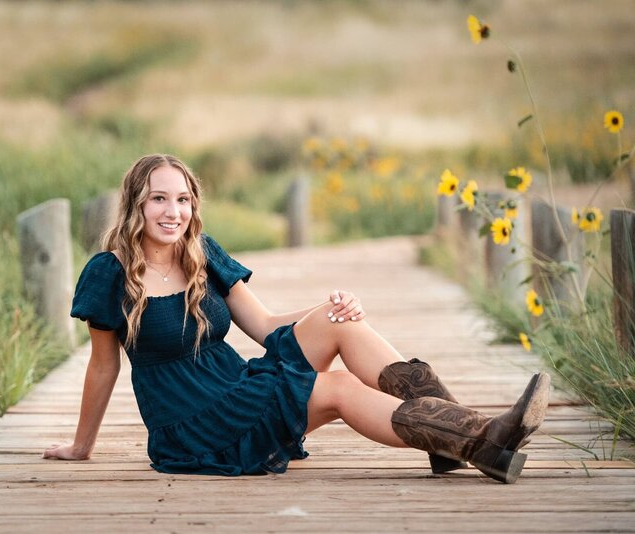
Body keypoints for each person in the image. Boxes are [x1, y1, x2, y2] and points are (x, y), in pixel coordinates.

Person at [42, 154, 550, 484]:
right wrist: (81, 447)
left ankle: (460, 438)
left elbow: (265, 327)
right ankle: (482, 434)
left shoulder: (201, 253)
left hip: (236, 386)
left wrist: (329, 311)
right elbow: (103, 366)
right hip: (194, 424)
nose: (172, 212)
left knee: (340, 321)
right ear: (136, 204)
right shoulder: (108, 274)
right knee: (338, 388)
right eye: (159, 199)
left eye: (182, 199)